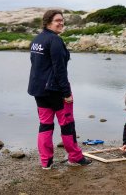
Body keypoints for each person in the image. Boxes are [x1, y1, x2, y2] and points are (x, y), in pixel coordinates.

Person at [28, 10, 91, 169]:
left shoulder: (37, 39)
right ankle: (75, 158)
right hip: (55, 91)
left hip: (38, 90)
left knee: (45, 125)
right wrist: (66, 93)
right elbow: (59, 69)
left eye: (62, 20)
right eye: (58, 20)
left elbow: (35, 64)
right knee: (67, 124)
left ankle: (46, 162)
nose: (61, 23)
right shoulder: (54, 40)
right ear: (48, 22)